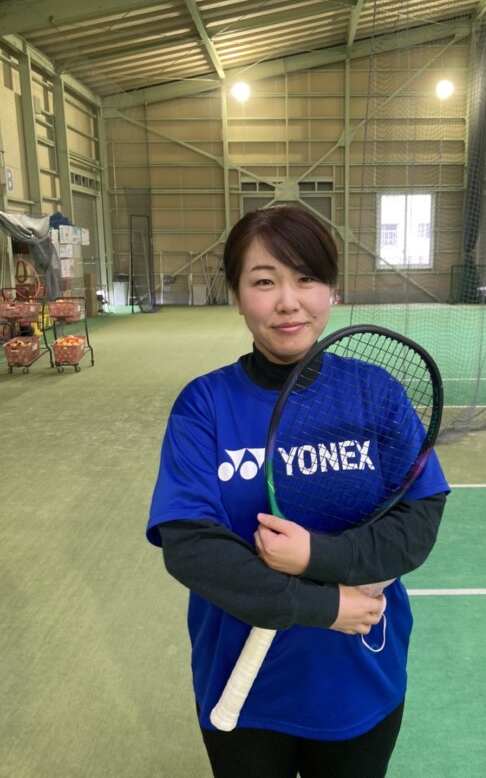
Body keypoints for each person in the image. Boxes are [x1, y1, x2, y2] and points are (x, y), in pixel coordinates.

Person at [147, 205, 450, 778]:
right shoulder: (204, 405)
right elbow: (191, 547)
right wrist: (323, 606)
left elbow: (417, 521)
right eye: (264, 282)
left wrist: (315, 555)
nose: (288, 302)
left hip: (359, 680)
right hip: (241, 686)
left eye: (306, 278)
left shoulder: (376, 393)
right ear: (237, 297)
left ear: (331, 290)